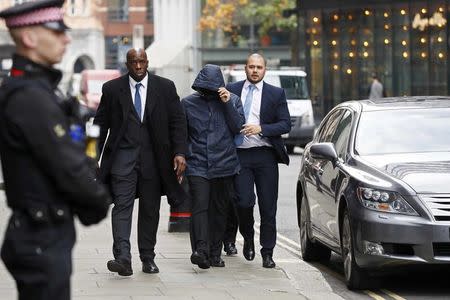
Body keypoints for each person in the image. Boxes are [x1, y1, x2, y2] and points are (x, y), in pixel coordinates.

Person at [0, 1, 111, 299]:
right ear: (30, 38)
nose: (66, 38)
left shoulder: (41, 90)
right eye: (57, 31)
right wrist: (100, 200)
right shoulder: (29, 97)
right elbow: (67, 166)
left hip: (44, 232)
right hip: (39, 234)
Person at [94, 48, 188, 276]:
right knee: (122, 207)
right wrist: (90, 157)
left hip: (154, 162)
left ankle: (148, 257)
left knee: (150, 209)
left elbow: (178, 122)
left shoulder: (165, 87)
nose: (138, 66)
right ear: (126, 64)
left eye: (142, 61)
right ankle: (123, 258)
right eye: (133, 62)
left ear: (148, 62)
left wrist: (180, 152)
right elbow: (99, 125)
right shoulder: (112, 89)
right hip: (122, 160)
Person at [226, 53, 291, 268]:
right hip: (240, 155)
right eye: (251, 67)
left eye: (259, 67)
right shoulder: (232, 90)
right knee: (243, 203)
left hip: (265, 156)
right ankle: (247, 237)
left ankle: (268, 251)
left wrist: (261, 128)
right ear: (245, 68)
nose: (255, 70)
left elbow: (285, 124)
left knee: (267, 206)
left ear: (265, 70)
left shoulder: (275, 93)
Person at [182, 64, 244, 269]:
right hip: (197, 163)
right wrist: (182, 156)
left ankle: (215, 254)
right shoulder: (188, 104)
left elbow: (238, 129)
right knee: (200, 206)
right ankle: (200, 250)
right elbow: (182, 135)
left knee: (220, 210)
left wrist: (226, 104)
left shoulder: (233, 101)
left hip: (225, 164)